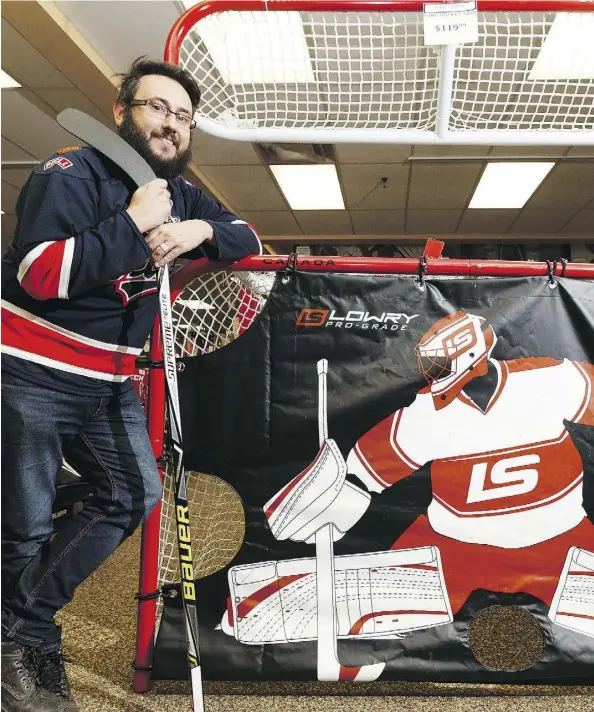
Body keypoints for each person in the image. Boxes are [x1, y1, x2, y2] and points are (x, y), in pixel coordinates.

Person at [1, 56, 261, 712]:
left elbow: (247, 236)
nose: (171, 125)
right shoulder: (66, 173)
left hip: (108, 381)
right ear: (121, 115)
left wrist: (198, 228)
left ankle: (18, 625)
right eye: (157, 108)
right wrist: (133, 224)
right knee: (26, 532)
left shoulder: (181, 193)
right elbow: (42, 274)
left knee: (131, 494)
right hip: (31, 373)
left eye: (183, 117)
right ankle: (21, 649)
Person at [264, 310, 594, 632]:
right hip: (453, 546)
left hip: (560, 539)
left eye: (441, 362)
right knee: (347, 612)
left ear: (470, 352)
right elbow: (361, 473)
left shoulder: (546, 379)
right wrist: (331, 497)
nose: (433, 372)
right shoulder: (426, 411)